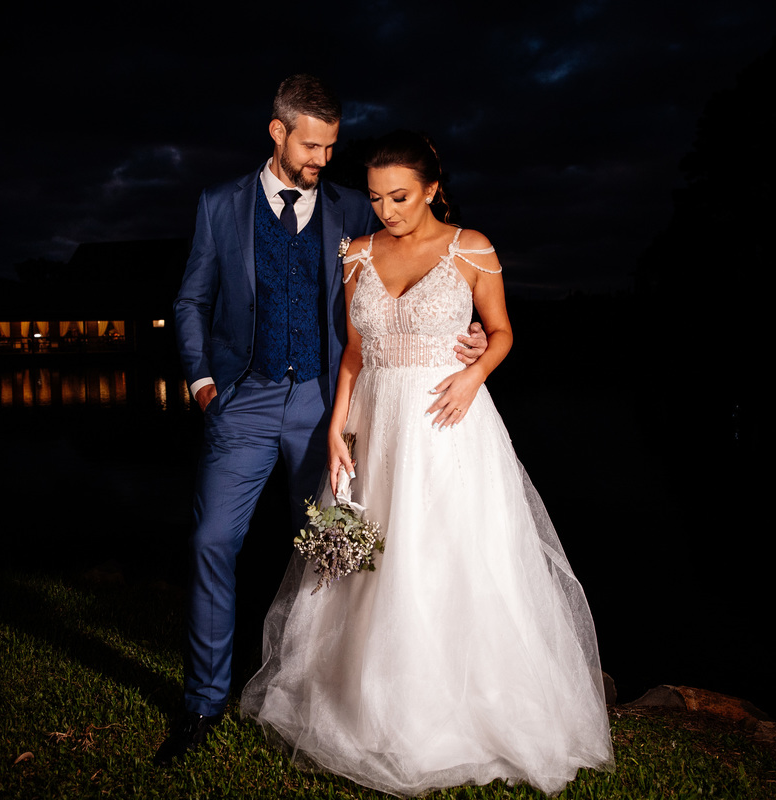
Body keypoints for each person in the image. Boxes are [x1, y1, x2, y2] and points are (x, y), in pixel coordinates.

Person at [241, 130, 614, 796]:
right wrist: (338, 430)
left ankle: (466, 711)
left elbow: (500, 333)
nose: (387, 210)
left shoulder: (473, 248)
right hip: (378, 430)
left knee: (451, 558)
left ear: (433, 188)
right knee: (368, 565)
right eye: (378, 197)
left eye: (401, 196)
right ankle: (369, 705)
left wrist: (474, 377)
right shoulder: (355, 254)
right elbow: (353, 355)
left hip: (450, 427)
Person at [161, 79, 488, 765]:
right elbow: (191, 299)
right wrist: (201, 383)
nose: (322, 158)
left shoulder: (352, 211)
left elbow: (408, 284)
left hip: (324, 404)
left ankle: (323, 695)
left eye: (332, 146)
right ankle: (202, 702)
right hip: (241, 402)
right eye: (312, 145)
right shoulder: (220, 206)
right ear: (277, 133)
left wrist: (470, 336)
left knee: (331, 553)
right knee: (211, 542)